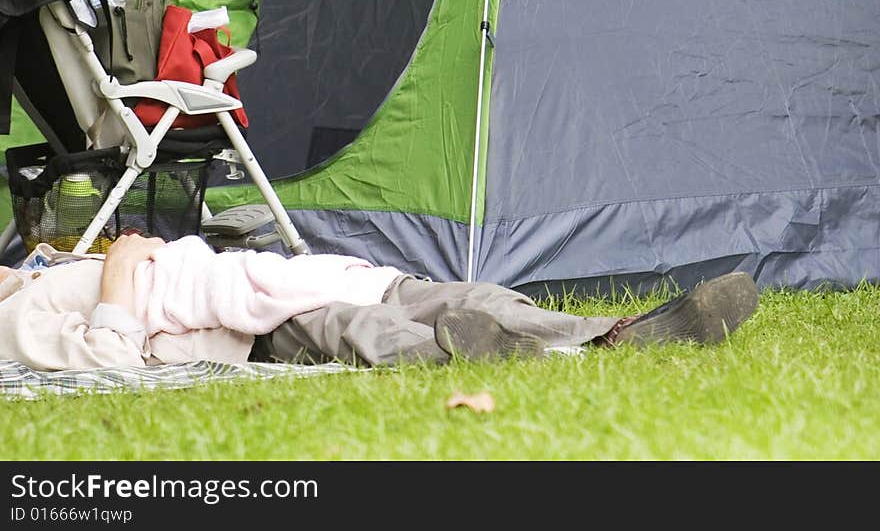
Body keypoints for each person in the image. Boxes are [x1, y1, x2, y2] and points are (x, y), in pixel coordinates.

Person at [0, 233, 759, 372]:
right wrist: (116, 275)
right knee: (363, 328)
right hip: (245, 322)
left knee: (457, 293)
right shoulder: (11, 321)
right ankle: (498, 351)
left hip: (270, 277)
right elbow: (106, 358)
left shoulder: (26, 276)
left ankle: (619, 333)